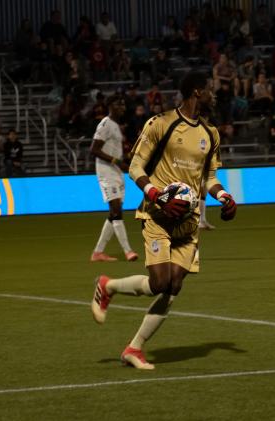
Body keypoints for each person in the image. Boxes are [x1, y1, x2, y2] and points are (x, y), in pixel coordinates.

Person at [90, 72, 237, 369]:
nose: (214, 94)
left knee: (174, 286)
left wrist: (223, 196)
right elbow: (136, 166)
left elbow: (209, 177)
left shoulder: (211, 133)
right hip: (158, 213)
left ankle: (134, 348)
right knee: (160, 283)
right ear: (196, 92)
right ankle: (108, 286)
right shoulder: (161, 123)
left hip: (188, 220)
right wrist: (156, 194)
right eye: (209, 90)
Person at [90, 95, 139, 263]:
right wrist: (116, 161)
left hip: (116, 171)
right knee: (117, 210)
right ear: (110, 106)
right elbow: (94, 149)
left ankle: (98, 253)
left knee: (114, 213)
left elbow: (116, 152)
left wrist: (127, 159)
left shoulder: (117, 126)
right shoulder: (105, 124)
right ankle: (128, 251)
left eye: (123, 104)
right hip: (106, 172)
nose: (122, 107)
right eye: (119, 104)